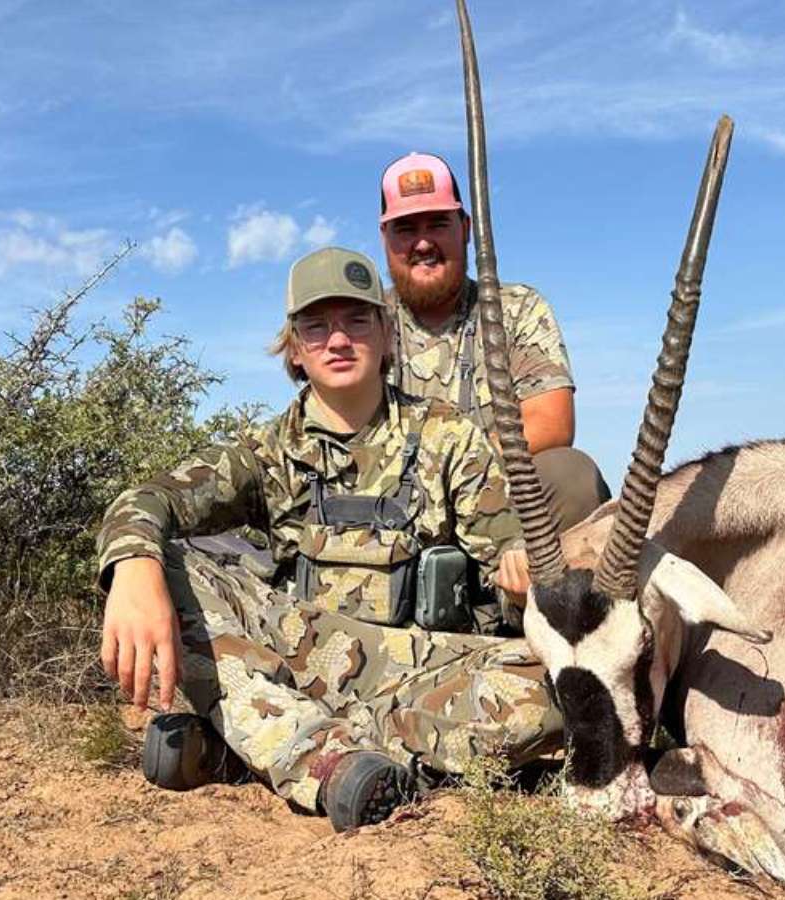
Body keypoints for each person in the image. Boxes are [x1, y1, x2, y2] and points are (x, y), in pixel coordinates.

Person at [94, 246, 561, 831]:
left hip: (421, 671)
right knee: (168, 562)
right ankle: (332, 762)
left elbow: (505, 549)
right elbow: (146, 500)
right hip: (293, 655)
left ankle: (253, 750)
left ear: (387, 335)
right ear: (294, 347)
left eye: (356, 320)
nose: (337, 339)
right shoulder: (266, 450)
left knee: (562, 686)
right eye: (316, 325)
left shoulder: (450, 436)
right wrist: (136, 568)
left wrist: (520, 573)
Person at [377, 151, 609, 533]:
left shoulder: (517, 308)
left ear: (466, 228)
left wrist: (451, 472)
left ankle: (543, 590)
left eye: (437, 224)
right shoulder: (363, 320)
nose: (422, 244)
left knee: (572, 476)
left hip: (491, 495)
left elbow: (551, 423)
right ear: (385, 236)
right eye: (405, 228)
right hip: (389, 505)